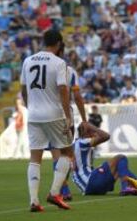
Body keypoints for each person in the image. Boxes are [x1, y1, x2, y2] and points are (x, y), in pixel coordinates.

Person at [20, 30, 73, 212]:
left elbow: (23, 89)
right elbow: (63, 91)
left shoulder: (28, 61)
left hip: (33, 115)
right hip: (54, 114)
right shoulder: (59, 62)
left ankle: (34, 201)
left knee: (35, 158)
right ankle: (54, 192)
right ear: (58, 44)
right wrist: (68, 117)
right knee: (67, 152)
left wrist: (30, 107)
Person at [47, 42, 88, 201]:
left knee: (56, 155)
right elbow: (77, 96)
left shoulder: (44, 70)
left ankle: (62, 188)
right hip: (65, 116)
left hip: (48, 115)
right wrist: (84, 119)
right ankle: (63, 189)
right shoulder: (69, 71)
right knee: (67, 154)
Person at [72, 122, 137, 196]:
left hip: (89, 189)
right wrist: (91, 126)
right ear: (86, 133)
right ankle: (125, 187)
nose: (95, 133)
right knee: (121, 158)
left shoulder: (75, 145)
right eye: (92, 131)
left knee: (119, 168)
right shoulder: (83, 142)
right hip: (91, 181)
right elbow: (106, 136)